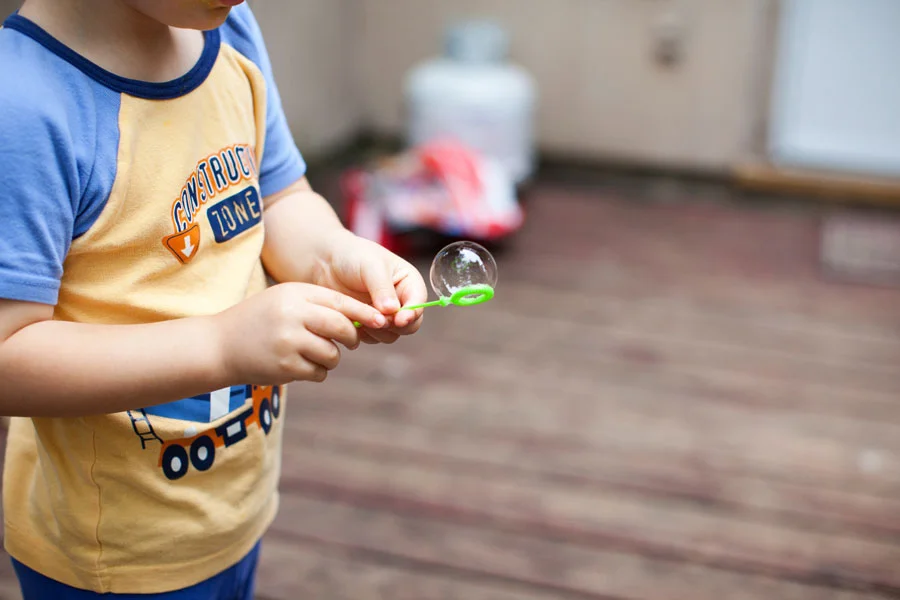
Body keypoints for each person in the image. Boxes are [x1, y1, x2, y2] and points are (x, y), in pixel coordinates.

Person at [0, 0, 427, 598]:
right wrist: (221, 345)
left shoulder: (228, 28)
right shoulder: (22, 106)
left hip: (232, 510)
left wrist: (331, 253)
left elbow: (278, 197)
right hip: (115, 557)